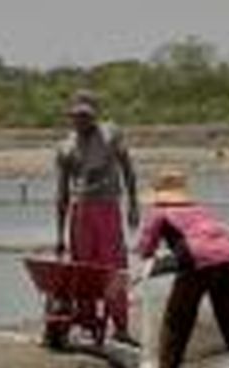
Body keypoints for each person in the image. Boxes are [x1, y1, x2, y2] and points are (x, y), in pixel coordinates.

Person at [136, 169, 229, 368]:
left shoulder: (159, 213)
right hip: (227, 258)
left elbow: (146, 249)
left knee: (176, 319)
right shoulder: (201, 210)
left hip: (195, 259)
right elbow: (218, 237)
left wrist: (152, 261)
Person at [55, 89, 139, 344]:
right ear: (71, 117)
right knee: (83, 268)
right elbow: (61, 193)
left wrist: (134, 204)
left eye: (86, 116)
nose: (81, 121)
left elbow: (127, 168)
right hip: (80, 212)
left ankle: (121, 327)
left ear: (95, 115)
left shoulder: (111, 134)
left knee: (114, 267)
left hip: (107, 208)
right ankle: (88, 322)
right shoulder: (65, 147)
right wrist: (59, 235)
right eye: (77, 116)